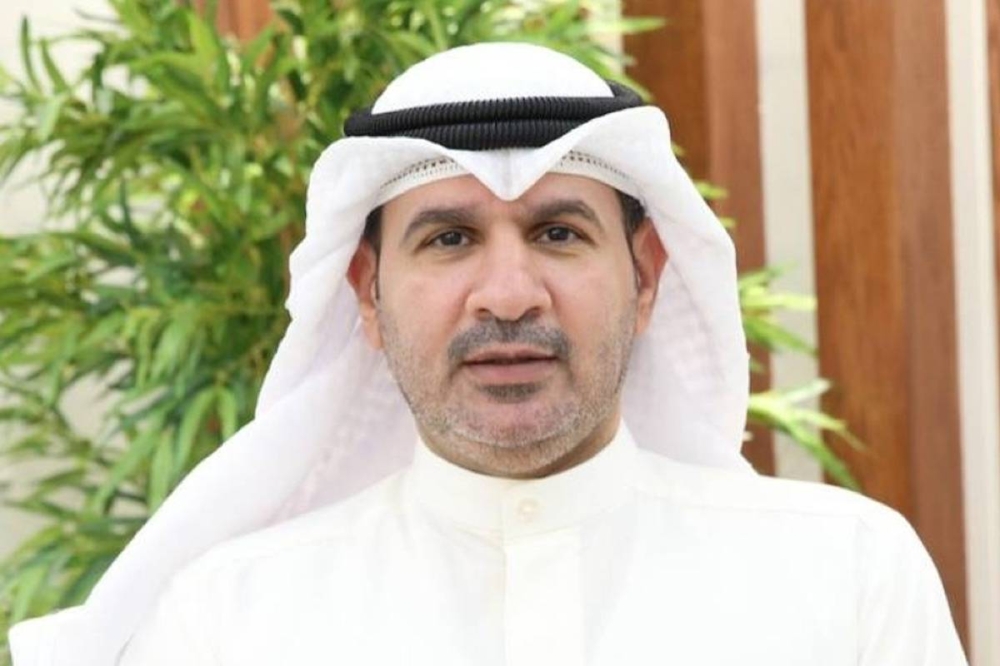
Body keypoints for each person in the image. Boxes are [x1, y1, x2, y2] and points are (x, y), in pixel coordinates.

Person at [10, 43, 966, 666]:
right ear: (367, 294)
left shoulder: (846, 576)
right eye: (449, 239)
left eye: (558, 233)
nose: (509, 294)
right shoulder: (230, 621)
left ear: (644, 278)